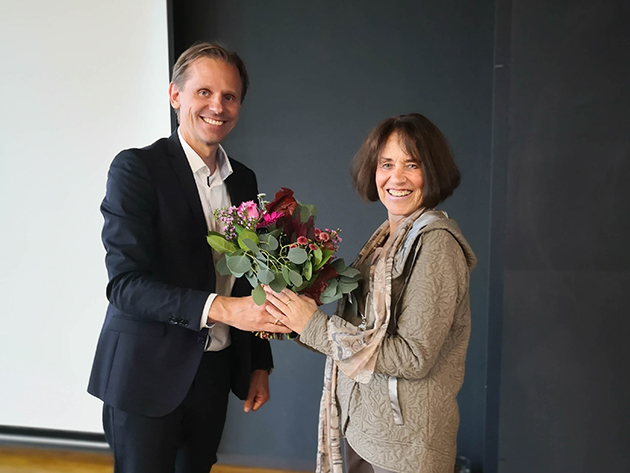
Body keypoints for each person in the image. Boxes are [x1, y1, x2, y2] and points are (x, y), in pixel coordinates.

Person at [88, 42, 290, 473]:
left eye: (229, 96)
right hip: (145, 373)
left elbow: (252, 277)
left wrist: (258, 364)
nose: (218, 106)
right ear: (175, 95)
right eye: (204, 92)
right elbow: (125, 285)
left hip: (213, 371)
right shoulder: (136, 169)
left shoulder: (244, 179)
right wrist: (222, 309)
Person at [265, 113, 477, 473]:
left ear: (435, 171)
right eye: (387, 164)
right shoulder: (386, 240)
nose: (397, 177)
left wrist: (313, 325)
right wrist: (294, 321)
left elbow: (412, 357)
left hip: (405, 449)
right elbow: (358, 334)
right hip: (367, 432)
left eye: (413, 165)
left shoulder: (435, 245)